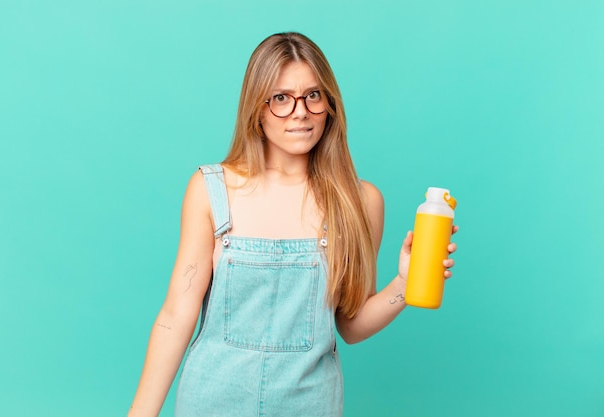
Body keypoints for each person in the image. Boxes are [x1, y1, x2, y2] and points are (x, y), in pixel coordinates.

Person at [128, 32, 457, 417]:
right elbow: (176, 314)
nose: (300, 111)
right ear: (258, 109)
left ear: (330, 105)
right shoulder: (210, 189)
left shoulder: (360, 202)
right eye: (281, 98)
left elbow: (350, 325)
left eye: (313, 96)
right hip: (212, 400)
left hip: (310, 403)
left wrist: (405, 283)